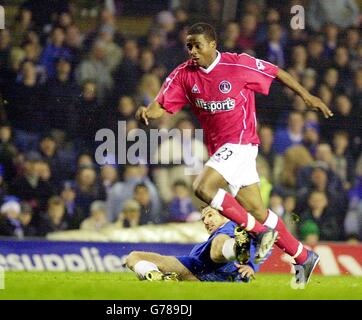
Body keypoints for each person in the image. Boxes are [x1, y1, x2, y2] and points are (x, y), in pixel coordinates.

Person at [135, 23, 333, 285]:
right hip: (222, 150)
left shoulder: (238, 65)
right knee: (259, 211)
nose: (192, 51)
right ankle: (303, 256)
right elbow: (162, 104)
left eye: (198, 45)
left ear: (213, 44)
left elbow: (276, 72)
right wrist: (148, 112)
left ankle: (259, 234)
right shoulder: (184, 74)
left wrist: (307, 97)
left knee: (203, 188)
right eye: (189, 46)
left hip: (241, 142)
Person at [125, 206, 257, 282]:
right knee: (133, 257)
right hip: (196, 268)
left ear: (224, 214)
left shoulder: (233, 226)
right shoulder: (210, 241)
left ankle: (237, 251)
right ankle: (158, 277)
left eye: (210, 215)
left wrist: (251, 265)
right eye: (203, 218)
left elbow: (261, 241)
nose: (205, 221)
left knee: (220, 241)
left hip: (219, 269)